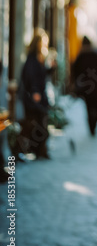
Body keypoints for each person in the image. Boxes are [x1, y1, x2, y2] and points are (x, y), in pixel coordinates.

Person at [20, 29, 54, 159]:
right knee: (37, 125)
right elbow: (30, 76)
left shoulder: (39, 58)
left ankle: (40, 151)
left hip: (40, 96)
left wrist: (51, 69)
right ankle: (35, 150)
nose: (44, 44)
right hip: (34, 97)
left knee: (41, 123)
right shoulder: (32, 59)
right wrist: (34, 91)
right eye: (43, 42)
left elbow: (41, 75)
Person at [72, 36, 97, 136]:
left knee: (88, 108)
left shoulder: (80, 57)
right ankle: (94, 125)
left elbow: (74, 73)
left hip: (86, 90)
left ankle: (91, 127)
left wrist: (76, 87)